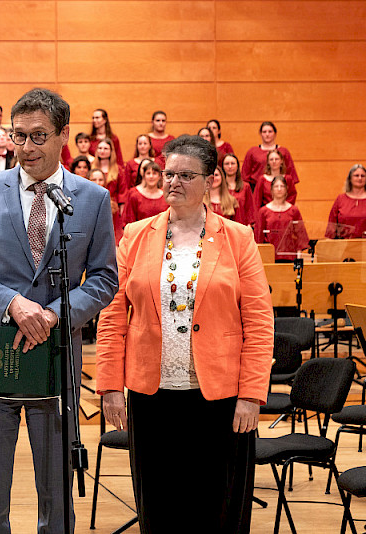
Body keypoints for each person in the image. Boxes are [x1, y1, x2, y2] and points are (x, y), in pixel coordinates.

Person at [0, 88, 118, 534]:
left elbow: (104, 279)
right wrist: (12, 304)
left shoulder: (93, 198)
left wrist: (55, 313)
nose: (26, 147)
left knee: (57, 498)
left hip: (56, 360)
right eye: (18, 136)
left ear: (63, 135)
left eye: (38, 136)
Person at [96, 134, 273, 533]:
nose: (173, 182)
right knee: (160, 508)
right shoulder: (135, 235)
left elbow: (260, 323)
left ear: (210, 181)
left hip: (221, 398)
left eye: (186, 175)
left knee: (217, 512)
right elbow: (111, 317)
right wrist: (109, 386)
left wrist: (251, 395)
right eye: (168, 173)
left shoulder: (239, 238)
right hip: (152, 396)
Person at [326, 164, 366, 244]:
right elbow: (331, 227)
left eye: (363, 176)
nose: (360, 178)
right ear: (350, 179)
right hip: (344, 247)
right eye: (356, 175)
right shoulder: (340, 199)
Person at [255, 175, 309, 262]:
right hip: (269, 258)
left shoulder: (294, 210)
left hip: (290, 256)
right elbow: (258, 237)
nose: (279, 189)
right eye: (276, 186)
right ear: (271, 190)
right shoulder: (263, 211)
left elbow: (300, 235)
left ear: (286, 189)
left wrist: (299, 256)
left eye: (282, 186)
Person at [241, 121, 299, 188]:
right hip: (255, 187)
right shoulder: (252, 151)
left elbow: (291, 175)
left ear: (275, 133)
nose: (267, 134)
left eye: (270, 131)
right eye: (264, 132)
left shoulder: (284, 152)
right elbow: (244, 175)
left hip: (279, 188)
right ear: (260, 134)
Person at [91, 139, 125, 244]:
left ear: (111, 151)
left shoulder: (118, 169)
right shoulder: (91, 166)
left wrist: (121, 213)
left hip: (113, 209)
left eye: (106, 148)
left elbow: (122, 192)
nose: (102, 151)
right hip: (94, 206)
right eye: (100, 148)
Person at [122, 159, 168, 230]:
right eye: (148, 173)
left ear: (159, 176)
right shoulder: (134, 195)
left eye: (154, 173)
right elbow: (129, 222)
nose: (151, 176)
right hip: (140, 234)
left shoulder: (166, 196)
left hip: (161, 234)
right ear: (144, 176)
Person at [222, 153, 256, 227]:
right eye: (227, 164)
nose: (230, 166)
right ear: (222, 166)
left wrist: (249, 225)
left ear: (237, 166)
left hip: (241, 226)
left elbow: (250, 209)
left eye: (233, 163)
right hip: (223, 227)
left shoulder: (245, 187)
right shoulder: (219, 187)